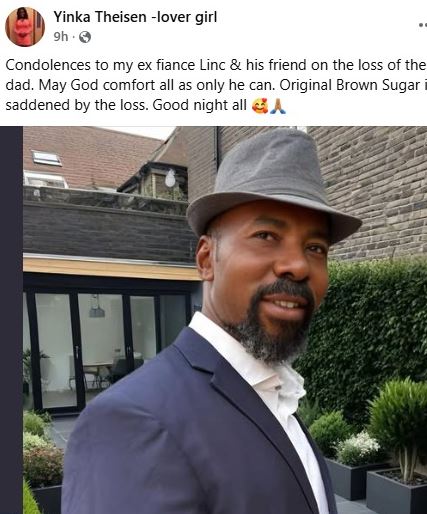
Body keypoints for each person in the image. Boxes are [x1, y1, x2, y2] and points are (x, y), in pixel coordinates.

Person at [62, 129, 362, 514]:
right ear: (206, 260)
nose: (298, 265)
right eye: (266, 235)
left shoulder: (273, 392)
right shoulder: (132, 421)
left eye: (315, 247)